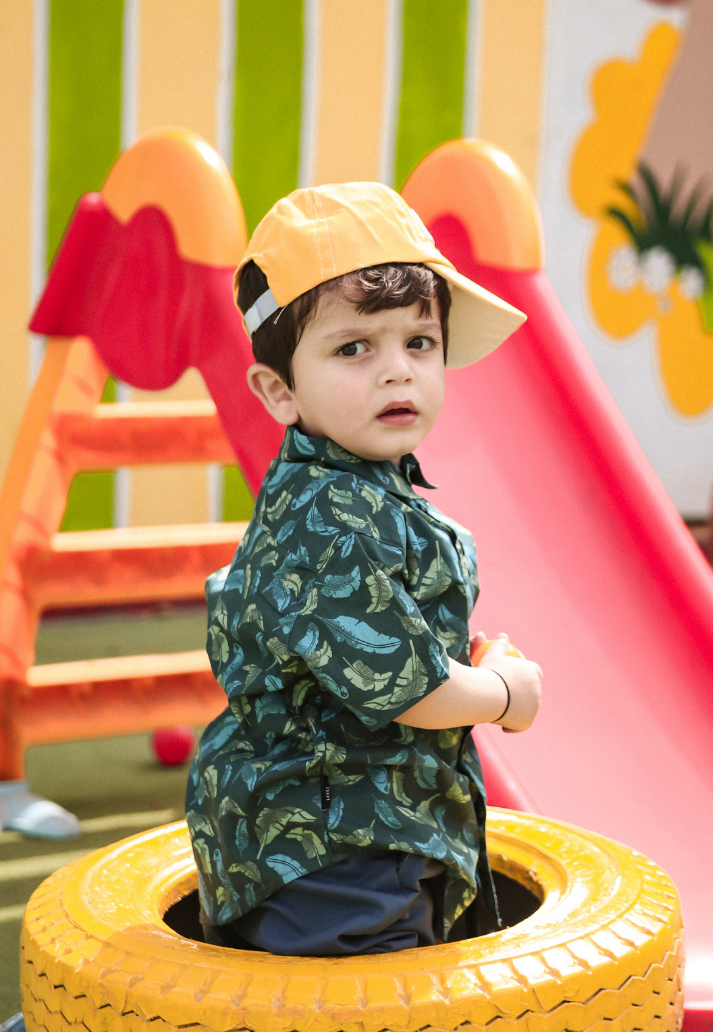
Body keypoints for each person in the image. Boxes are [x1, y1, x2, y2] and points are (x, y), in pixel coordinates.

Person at [185, 182, 543, 957]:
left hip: (364, 829)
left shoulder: (363, 489)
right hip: (329, 850)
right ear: (279, 391)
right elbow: (412, 691)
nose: (397, 372)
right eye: (354, 348)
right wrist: (507, 693)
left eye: (419, 343)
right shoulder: (328, 515)